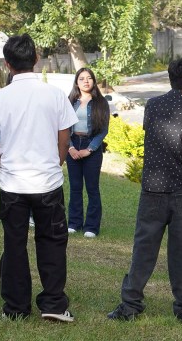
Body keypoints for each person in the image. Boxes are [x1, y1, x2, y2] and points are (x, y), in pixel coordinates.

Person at [0, 34, 78, 322]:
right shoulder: (55, 95)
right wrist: (53, 164)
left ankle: (15, 307)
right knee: (52, 243)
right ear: (36, 59)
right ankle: (53, 305)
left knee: (14, 245)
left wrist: (5, 165)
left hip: (12, 184)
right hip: (47, 181)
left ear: (7, 64)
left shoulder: (0, 98)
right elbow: (64, 140)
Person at [107, 58, 182, 322]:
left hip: (152, 189)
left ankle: (130, 304)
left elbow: (154, 137)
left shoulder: (151, 106)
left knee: (144, 249)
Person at [65, 67, 110, 238]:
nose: (86, 81)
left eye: (89, 78)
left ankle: (91, 226)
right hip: (73, 143)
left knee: (92, 188)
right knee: (75, 187)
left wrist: (89, 149)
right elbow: (63, 127)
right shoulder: (70, 101)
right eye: (82, 78)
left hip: (92, 145)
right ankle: (74, 223)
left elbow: (103, 130)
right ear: (76, 82)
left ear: (93, 81)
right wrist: (70, 148)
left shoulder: (101, 102)